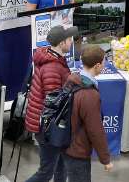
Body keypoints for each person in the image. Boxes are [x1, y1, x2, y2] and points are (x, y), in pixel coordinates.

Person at [23, 24, 77, 182]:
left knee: (62, 165)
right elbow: (54, 100)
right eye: (69, 39)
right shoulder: (52, 67)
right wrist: (72, 83)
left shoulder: (54, 58)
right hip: (48, 127)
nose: (72, 42)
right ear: (61, 43)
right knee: (46, 172)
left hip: (51, 125)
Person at [62, 45, 114, 181]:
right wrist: (105, 159)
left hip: (66, 144)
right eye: (104, 62)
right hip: (78, 150)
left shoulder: (73, 79)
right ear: (97, 65)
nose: (105, 65)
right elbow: (95, 130)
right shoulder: (89, 94)